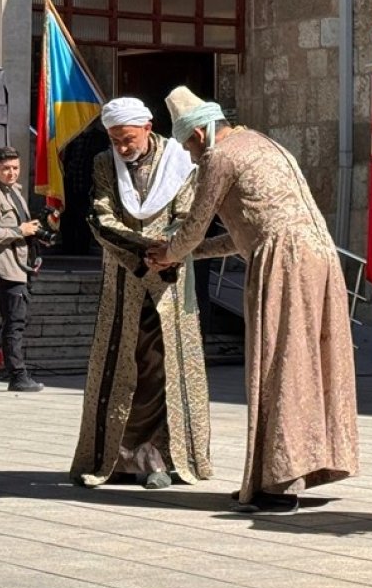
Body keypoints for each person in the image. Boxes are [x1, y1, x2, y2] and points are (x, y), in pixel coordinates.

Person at [147, 86, 359, 514]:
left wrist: (165, 253)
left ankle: (278, 484)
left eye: (188, 146)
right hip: (319, 255)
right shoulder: (264, 143)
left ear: (201, 135)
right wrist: (185, 254)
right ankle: (306, 465)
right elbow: (243, 233)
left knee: (281, 365)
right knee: (310, 366)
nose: (189, 156)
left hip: (283, 261)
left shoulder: (218, 158)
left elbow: (194, 226)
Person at [69, 98, 213, 490]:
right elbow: (102, 218)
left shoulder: (181, 160)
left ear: (147, 127)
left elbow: (188, 217)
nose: (121, 146)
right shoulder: (104, 164)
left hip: (170, 280)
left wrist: (167, 254)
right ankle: (120, 458)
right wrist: (145, 253)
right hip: (125, 279)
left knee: (162, 366)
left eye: (127, 138)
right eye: (115, 139)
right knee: (124, 364)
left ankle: (161, 457)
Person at [0, 146, 45, 392]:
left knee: (13, 321)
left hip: (21, 265)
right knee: (15, 323)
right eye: (6, 168)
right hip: (4, 268)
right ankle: (17, 376)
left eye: (16, 168)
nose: (12, 173)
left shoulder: (15, 192)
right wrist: (21, 230)